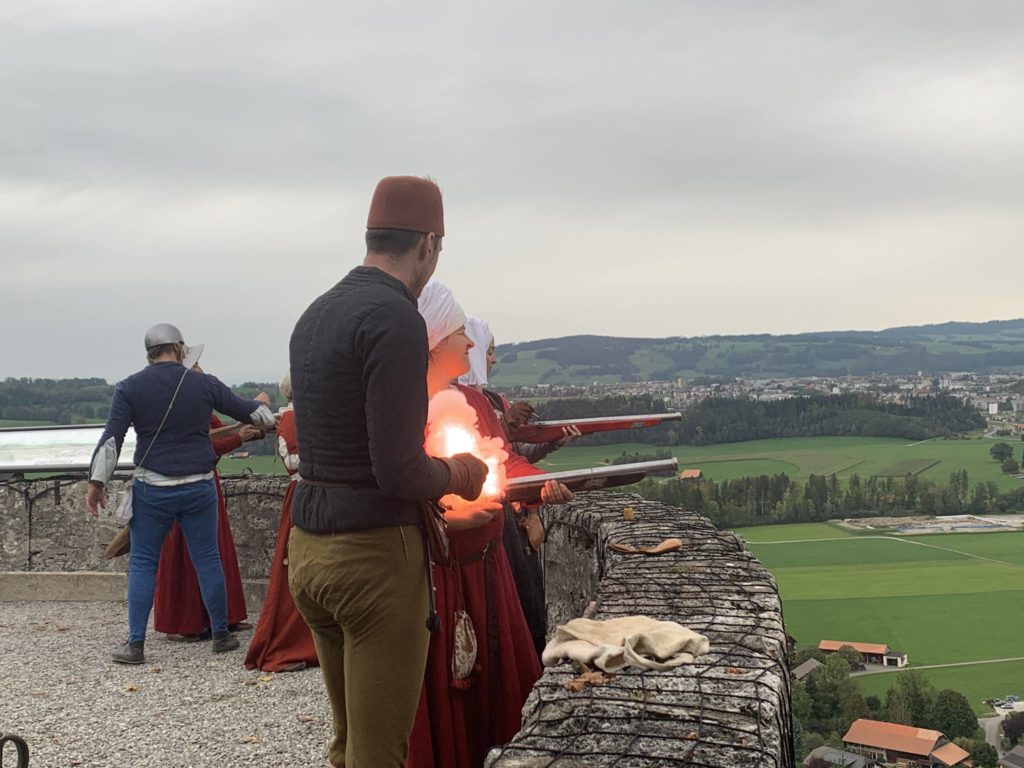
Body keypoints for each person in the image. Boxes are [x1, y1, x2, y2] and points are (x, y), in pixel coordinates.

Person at [286, 176, 489, 768]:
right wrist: (457, 472)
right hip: (372, 559)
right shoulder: (396, 319)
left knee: (348, 744)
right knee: (379, 755)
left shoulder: (316, 313)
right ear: (428, 243)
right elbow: (398, 470)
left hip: (309, 553)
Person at [406, 281, 573, 768]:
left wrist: (537, 493)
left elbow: (503, 467)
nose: (473, 345)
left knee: (503, 691)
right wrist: (453, 523)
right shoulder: (401, 406)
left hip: (488, 562)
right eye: (462, 333)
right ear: (436, 338)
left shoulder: (477, 404)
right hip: (435, 574)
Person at [86, 323, 276, 664]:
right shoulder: (203, 384)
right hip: (198, 485)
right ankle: (220, 635)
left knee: (144, 563)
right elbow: (252, 412)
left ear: (149, 353)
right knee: (207, 558)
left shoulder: (130, 387)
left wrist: (96, 484)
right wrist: (268, 412)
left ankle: (135, 645)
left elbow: (111, 440)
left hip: (152, 488)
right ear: (179, 347)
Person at [458, 316, 581, 657]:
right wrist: (504, 430)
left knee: (528, 604)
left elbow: (517, 454)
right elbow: (477, 461)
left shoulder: (494, 401)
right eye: (489, 350)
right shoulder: (457, 403)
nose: (493, 358)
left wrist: (553, 442)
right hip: (490, 515)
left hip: (517, 518)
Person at [153, 406, 263, 640]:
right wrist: (238, 438)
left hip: (204, 482)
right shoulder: (172, 409)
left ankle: (224, 619)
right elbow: (200, 448)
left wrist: (254, 428)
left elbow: (220, 431)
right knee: (185, 555)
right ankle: (186, 622)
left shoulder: (201, 406)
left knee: (216, 549)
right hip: (179, 481)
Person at [244, 372, 318, 672]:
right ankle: (291, 643)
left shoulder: (303, 416)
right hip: (304, 493)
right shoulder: (290, 420)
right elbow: (291, 462)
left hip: (312, 493)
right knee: (297, 567)